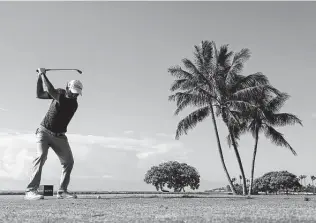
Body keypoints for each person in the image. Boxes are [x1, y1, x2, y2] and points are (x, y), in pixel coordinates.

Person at [24, 68, 83, 200]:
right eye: (73, 93)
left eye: (77, 94)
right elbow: (39, 94)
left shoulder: (71, 103)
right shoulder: (60, 93)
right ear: (68, 87)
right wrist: (39, 77)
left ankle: (62, 191)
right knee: (41, 156)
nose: (75, 96)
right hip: (43, 132)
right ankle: (31, 191)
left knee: (68, 161)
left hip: (60, 137)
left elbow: (51, 90)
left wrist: (43, 73)